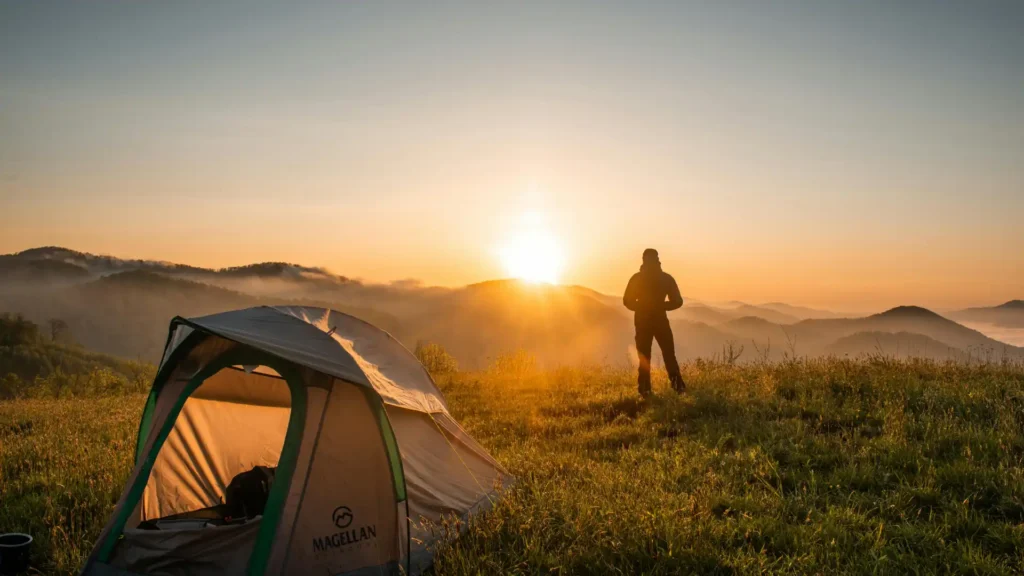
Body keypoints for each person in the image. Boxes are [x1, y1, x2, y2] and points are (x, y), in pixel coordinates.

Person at [623, 248, 685, 396]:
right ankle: (678, 387)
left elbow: (627, 301)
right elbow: (678, 301)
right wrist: (661, 305)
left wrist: (642, 306)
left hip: (642, 321)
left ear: (643, 259)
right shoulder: (666, 278)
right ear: (658, 259)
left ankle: (645, 390)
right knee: (669, 354)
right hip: (660, 320)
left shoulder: (637, 278)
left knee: (644, 357)